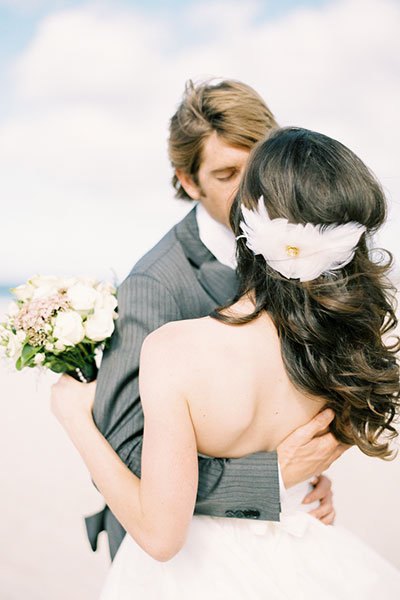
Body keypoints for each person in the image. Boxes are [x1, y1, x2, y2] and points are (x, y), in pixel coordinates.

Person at [52, 127, 400, 599]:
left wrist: (76, 420)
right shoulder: (345, 345)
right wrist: (282, 481)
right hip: (306, 560)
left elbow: (160, 536)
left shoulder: (175, 350)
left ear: (246, 218)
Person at [86, 80, 339, 559]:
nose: (252, 193)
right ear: (188, 181)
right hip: (185, 559)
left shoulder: (293, 260)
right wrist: (273, 475)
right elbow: (129, 456)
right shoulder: (155, 285)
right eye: (227, 174)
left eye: (260, 167)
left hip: (279, 533)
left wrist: (304, 481)